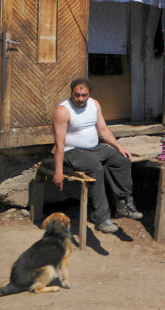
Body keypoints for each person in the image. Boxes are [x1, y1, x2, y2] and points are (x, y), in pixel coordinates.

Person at [52, 78, 142, 234]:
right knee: (95, 167)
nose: (80, 98)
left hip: (95, 148)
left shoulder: (94, 104)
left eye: (84, 95)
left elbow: (104, 130)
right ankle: (101, 218)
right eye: (77, 95)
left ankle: (123, 203)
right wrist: (58, 171)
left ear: (89, 94)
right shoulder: (63, 111)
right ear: (72, 93)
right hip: (71, 151)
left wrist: (119, 147)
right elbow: (59, 144)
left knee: (122, 160)